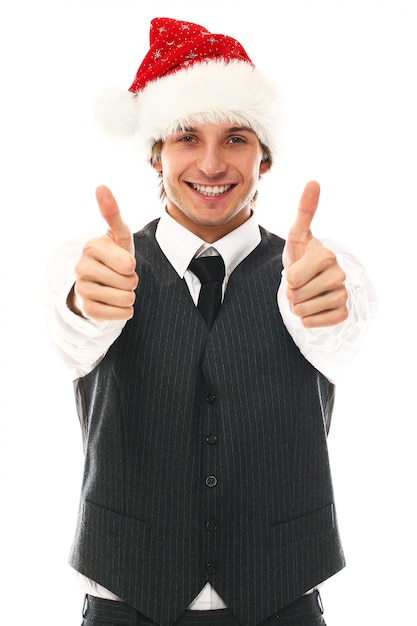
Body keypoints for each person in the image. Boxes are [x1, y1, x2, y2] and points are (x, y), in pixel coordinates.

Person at [45, 17, 377, 626]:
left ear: (265, 158)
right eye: (186, 137)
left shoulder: (317, 268)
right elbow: (72, 327)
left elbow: (341, 329)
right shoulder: (90, 264)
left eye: (237, 138)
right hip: (126, 603)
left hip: (282, 602)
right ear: (156, 155)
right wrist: (86, 302)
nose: (211, 162)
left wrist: (329, 304)